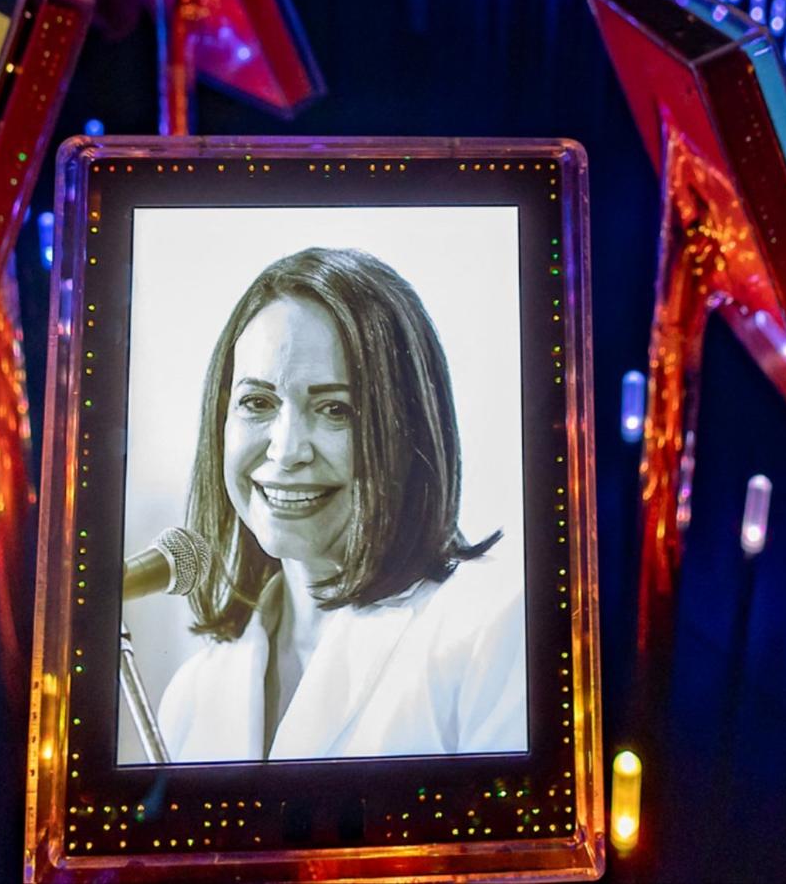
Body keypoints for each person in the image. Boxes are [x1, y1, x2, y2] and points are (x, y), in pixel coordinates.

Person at [151, 247, 526, 762]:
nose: (286, 450)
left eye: (334, 409)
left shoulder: (493, 629)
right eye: (257, 403)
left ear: (408, 430)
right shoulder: (189, 698)